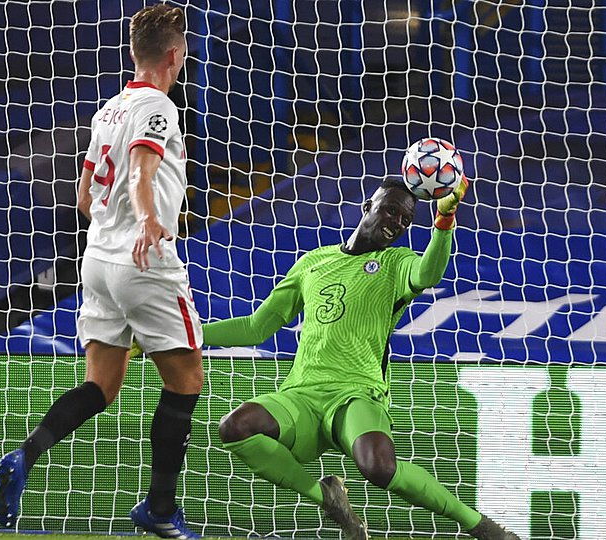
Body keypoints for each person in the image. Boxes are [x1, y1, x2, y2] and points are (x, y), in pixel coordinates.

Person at [186, 177, 516, 539]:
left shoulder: (396, 263)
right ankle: (326, 497)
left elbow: (428, 272)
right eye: (391, 210)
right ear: (368, 206)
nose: (396, 223)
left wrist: (444, 221)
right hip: (301, 395)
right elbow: (256, 327)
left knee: (378, 467)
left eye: (405, 220)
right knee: (235, 427)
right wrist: (188, 337)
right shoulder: (314, 262)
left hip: (357, 394)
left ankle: (479, 526)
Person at [0, 5, 204, 538]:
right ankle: (159, 509)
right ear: (176, 55)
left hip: (99, 260)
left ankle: (25, 454)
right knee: (186, 381)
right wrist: (148, 218)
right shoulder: (159, 107)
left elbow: (84, 197)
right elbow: (140, 171)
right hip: (143, 260)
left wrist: (116, 223)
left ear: (133, 52)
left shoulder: (109, 109)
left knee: (101, 385)